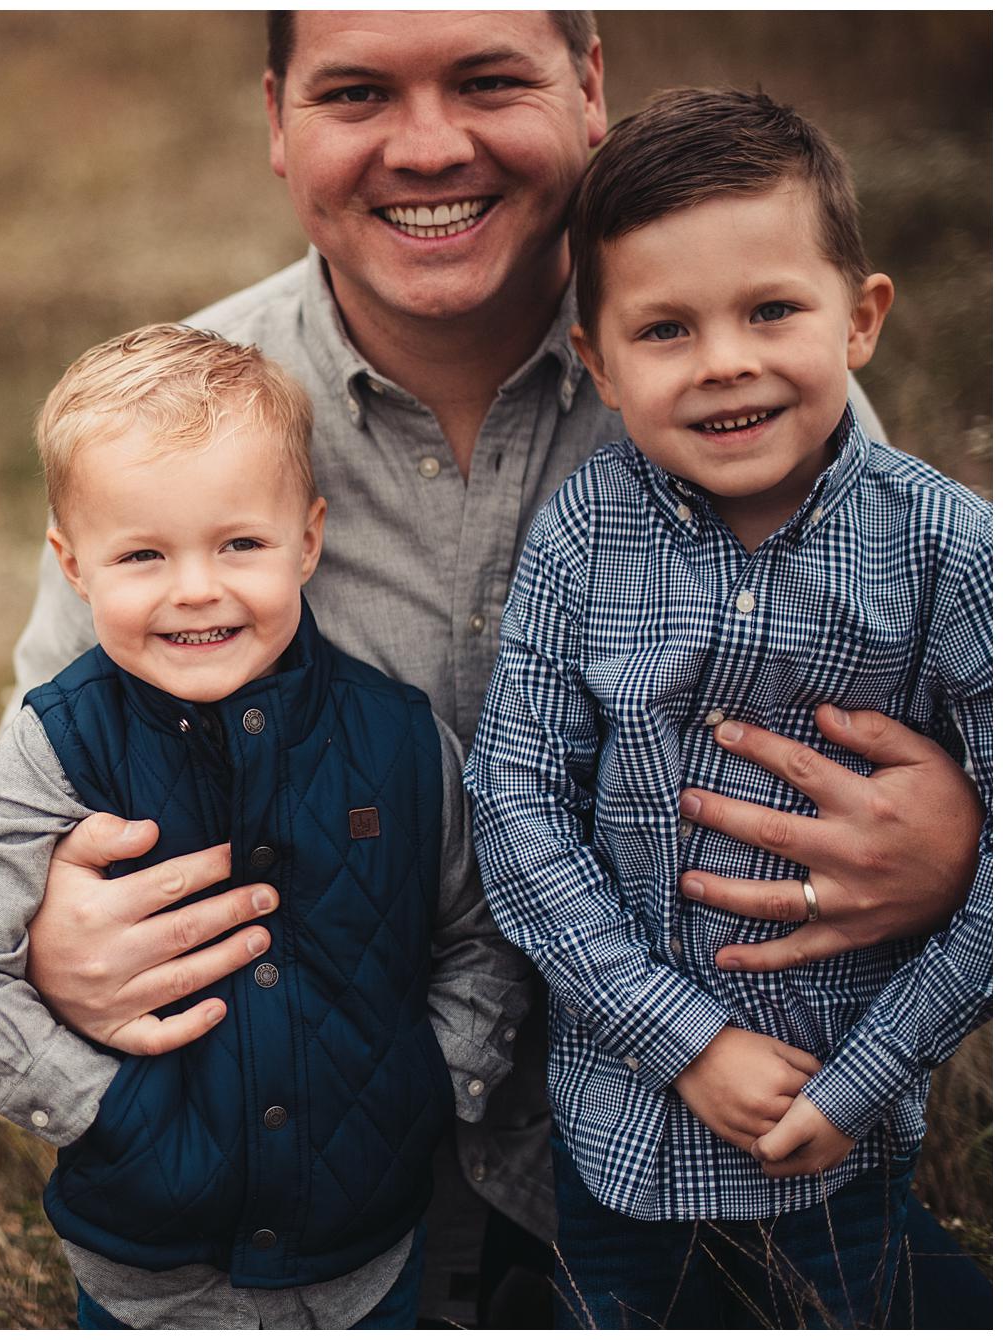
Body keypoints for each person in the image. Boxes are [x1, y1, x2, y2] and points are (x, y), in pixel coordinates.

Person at [2, 11, 987, 1326]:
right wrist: (44, 928)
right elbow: (39, 786)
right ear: (277, 121)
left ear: (587, 87)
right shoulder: (173, 432)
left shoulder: (769, 414)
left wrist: (955, 849)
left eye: (486, 79)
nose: (427, 147)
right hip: (298, 1214)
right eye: (357, 93)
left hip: (730, 1157)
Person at [463, 87, 992, 1327]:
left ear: (858, 318)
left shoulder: (945, 548)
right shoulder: (583, 535)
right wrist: (683, 1040)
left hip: (841, 1136)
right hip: (620, 1129)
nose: (722, 363)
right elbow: (515, 799)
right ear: (597, 363)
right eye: (664, 329)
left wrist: (868, 1071)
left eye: (769, 310)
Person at [0, 324, 531, 1327]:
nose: (195, 587)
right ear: (73, 565)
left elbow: (482, 930)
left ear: (308, 541)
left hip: (370, 1261)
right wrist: (94, 1109)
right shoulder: (57, 743)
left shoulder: (403, 740)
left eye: (239, 543)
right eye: (142, 554)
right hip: (145, 1275)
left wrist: (431, 1082)